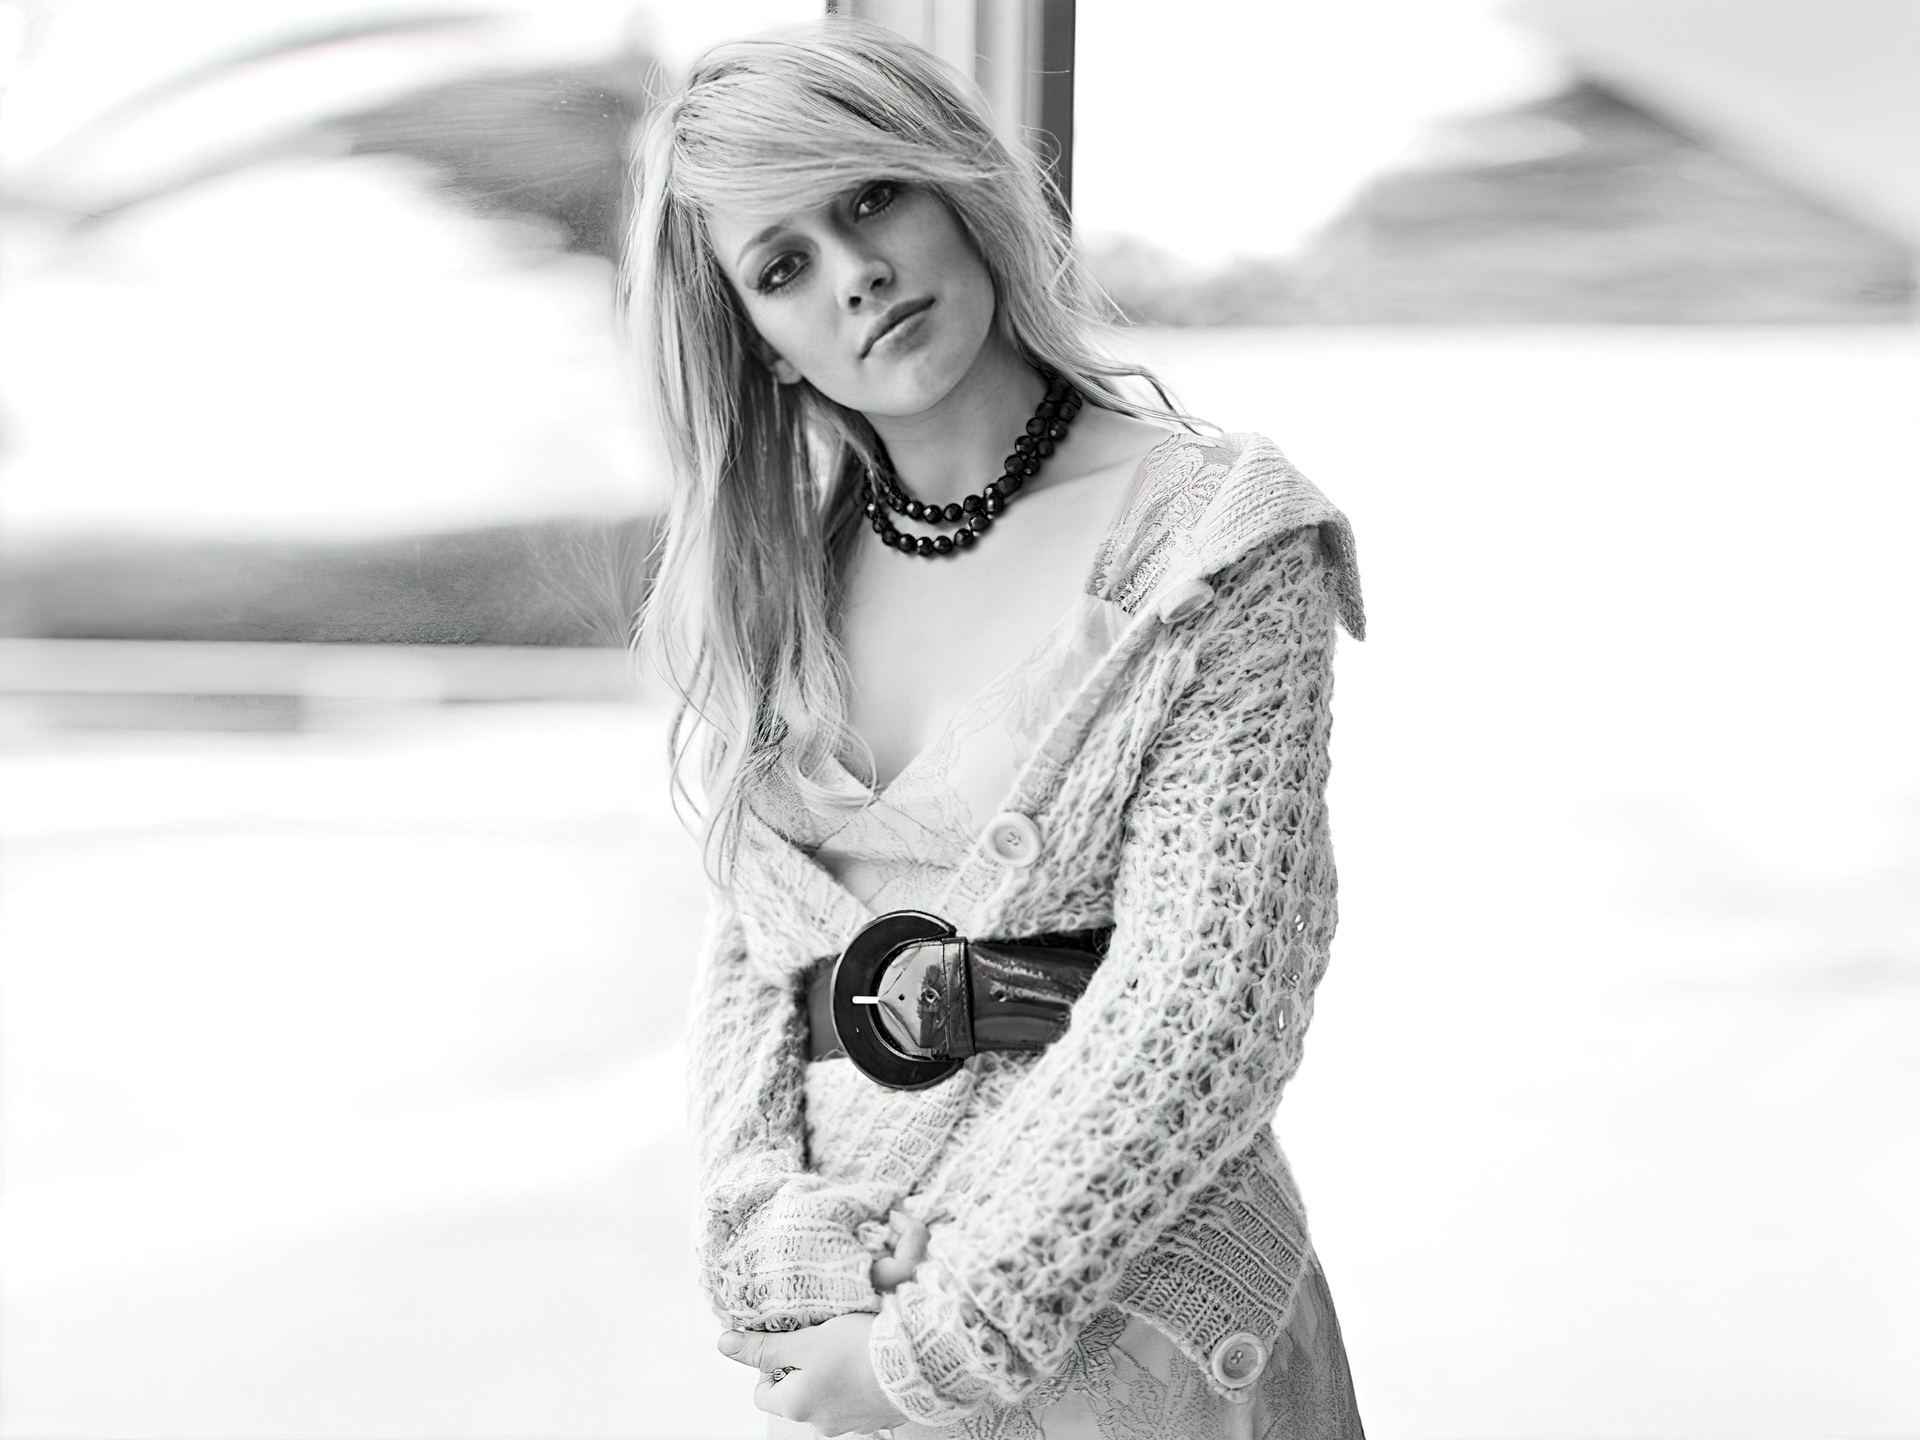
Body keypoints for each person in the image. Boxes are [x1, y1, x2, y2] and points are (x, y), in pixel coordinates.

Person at [624, 18, 1368, 1439]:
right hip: (859, 1353)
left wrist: (938, 1344)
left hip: (1142, 1339)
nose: (855, 274)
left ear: (953, 182)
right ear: (758, 346)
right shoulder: (780, 588)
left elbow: (1210, 1001)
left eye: (868, 199)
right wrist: (784, 1261)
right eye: (782, 267)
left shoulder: (1218, 538)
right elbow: (754, 978)